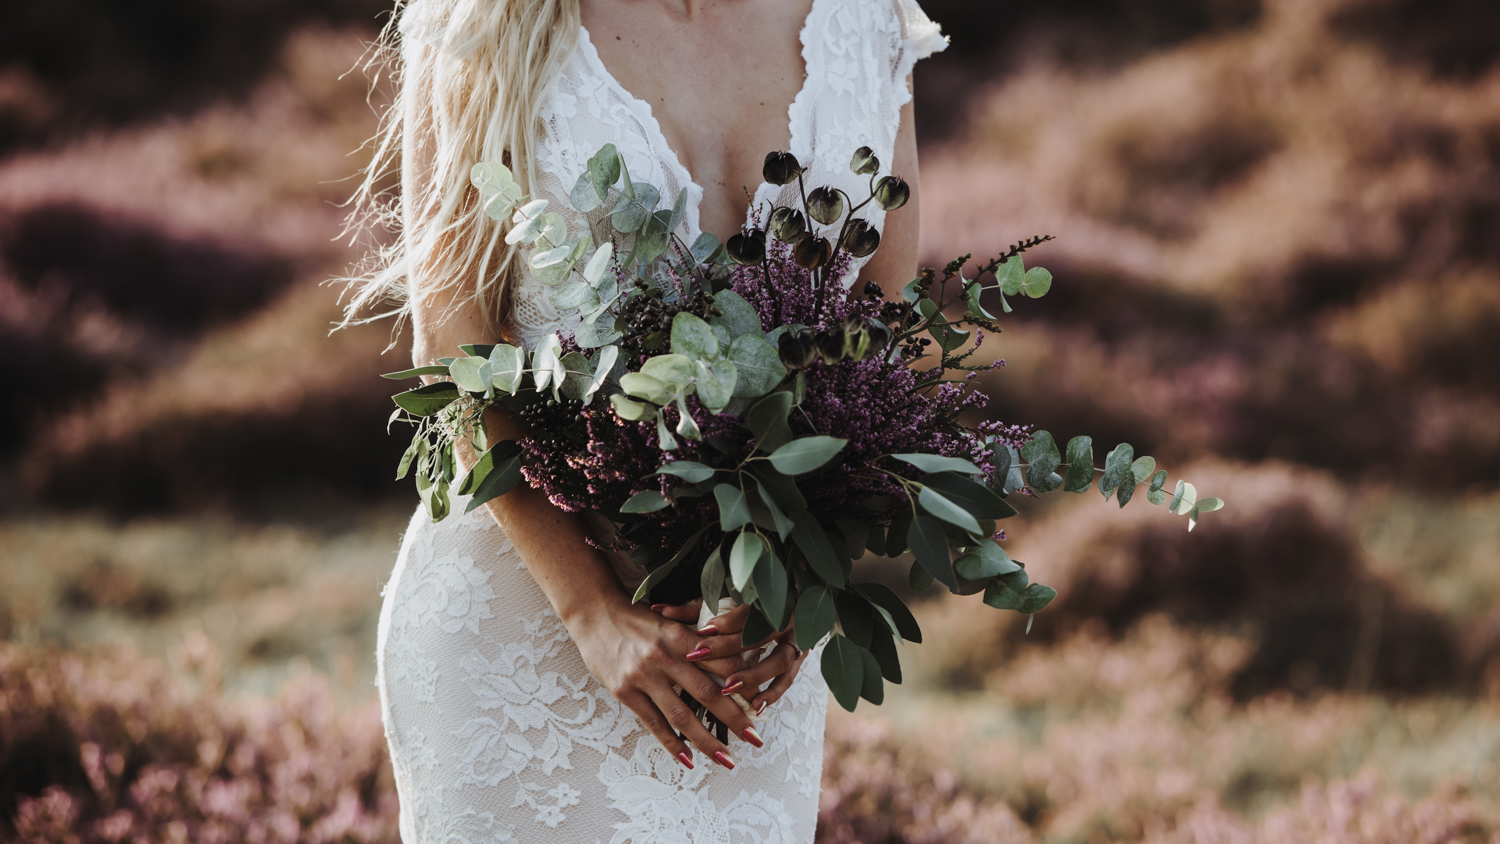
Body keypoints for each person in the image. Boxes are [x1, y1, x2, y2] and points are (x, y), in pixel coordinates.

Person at [349, 0, 945, 840]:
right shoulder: (491, 21)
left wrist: (807, 568)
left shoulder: (869, 21)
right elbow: (457, 354)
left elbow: (884, 337)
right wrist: (590, 611)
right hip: (524, 626)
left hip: (742, 640)